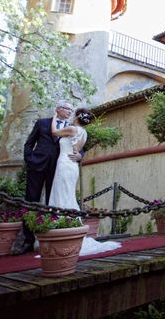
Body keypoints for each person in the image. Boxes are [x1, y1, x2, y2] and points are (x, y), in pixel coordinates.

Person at [49, 107, 121, 256]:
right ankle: (70, 227)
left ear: (76, 118)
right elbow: (77, 150)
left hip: (64, 164)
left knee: (62, 194)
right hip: (73, 165)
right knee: (67, 195)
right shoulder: (84, 133)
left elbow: (54, 132)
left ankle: (62, 229)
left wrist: (54, 117)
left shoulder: (72, 128)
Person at [17, 100, 77, 255]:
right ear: (57, 109)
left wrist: (79, 155)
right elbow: (29, 143)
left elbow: (79, 146)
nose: (70, 111)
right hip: (36, 166)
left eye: (71, 110)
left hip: (58, 170)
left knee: (54, 202)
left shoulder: (72, 129)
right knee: (31, 200)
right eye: (66, 108)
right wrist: (29, 160)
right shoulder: (42, 123)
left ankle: (51, 239)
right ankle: (28, 241)